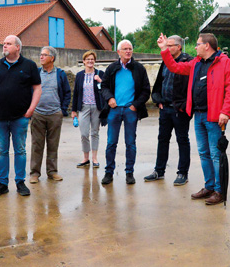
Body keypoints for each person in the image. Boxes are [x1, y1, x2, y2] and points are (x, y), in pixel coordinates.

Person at [156, 32, 230, 205]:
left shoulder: (225, 63)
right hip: (199, 114)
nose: (195, 47)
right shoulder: (196, 63)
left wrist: (226, 111)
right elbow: (175, 67)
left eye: (198, 44)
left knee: (216, 155)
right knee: (203, 153)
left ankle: (219, 190)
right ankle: (209, 186)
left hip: (214, 116)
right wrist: (164, 49)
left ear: (207, 46)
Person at [0, 35, 42, 198]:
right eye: (3, 44)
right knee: (1, 151)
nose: (4, 47)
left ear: (18, 47)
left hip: (20, 117)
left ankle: (20, 182)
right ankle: (2, 184)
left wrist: (31, 109)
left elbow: (37, 88)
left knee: (20, 150)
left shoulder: (29, 65)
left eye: (8, 44)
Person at [100, 40, 151, 185]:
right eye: (125, 49)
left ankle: (129, 172)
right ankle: (109, 172)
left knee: (130, 143)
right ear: (118, 52)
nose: (128, 51)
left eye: (130, 49)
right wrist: (109, 98)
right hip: (114, 110)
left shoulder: (139, 69)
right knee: (111, 143)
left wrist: (135, 105)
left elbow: (146, 90)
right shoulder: (111, 68)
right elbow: (103, 86)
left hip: (130, 111)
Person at [145, 35, 192, 186]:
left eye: (170, 45)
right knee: (163, 140)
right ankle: (159, 171)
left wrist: (183, 106)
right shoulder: (165, 62)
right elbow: (159, 83)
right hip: (165, 109)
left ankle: (182, 173)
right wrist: (158, 100)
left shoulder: (188, 61)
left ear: (179, 47)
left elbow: (190, 87)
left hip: (180, 110)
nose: (167, 48)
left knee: (182, 140)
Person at [29, 46, 71, 183]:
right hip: (38, 114)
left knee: (53, 144)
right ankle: (35, 173)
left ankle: (52, 172)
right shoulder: (35, 73)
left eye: (44, 55)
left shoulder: (60, 74)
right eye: (40, 54)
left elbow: (67, 93)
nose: (41, 57)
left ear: (52, 58)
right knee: (37, 145)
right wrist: (30, 109)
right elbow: (28, 91)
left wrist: (62, 110)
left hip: (54, 114)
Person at [71, 50, 105, 168]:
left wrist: (100, 81)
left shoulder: (100, 74)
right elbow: (76, 93)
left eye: (92, 59)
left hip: (97, 107)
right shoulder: (80, 75)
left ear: (94, 61)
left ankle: (94, 159)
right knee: (84, 133)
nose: (90, 61)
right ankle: (86, 158)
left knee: (95, 133)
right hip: (83, 107)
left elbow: (107, 88)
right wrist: (73, 111)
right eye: (88, 59)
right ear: (84, 61)